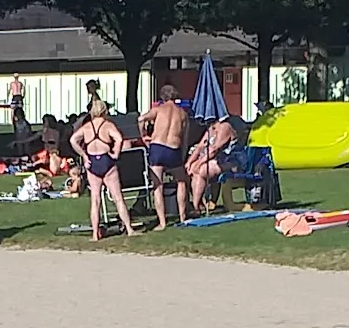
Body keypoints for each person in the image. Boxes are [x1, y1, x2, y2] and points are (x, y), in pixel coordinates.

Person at [70, 99, 138, 241]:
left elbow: (73, 140)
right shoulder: (108, 126)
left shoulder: (87, 127)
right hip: (106, 160)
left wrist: (83, 155)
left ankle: (95, 234)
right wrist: (115, 153)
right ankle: (129, 229)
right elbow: (119, 138)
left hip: (92, 162)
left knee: (95, 200)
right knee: (118, 197)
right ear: (104, 110)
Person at [139, 84, 190, 229]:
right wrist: (183, 155)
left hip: (157, 146)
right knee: (181, 181)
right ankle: (182, 216)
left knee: (158, 185)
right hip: (174, 148)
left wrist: (143, 135)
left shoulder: (158, 110)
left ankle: (162, 222)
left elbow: (140, 119)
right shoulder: (183, 114)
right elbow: (185, 138)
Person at [186, 116, 238, 215]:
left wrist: (199, 162)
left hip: (230, 161)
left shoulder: (225, 127)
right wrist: (189, 162)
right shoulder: (210, 129)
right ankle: (198, 204)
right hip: (212, 160)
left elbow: (214, 149)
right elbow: (200, 147)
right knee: (191, 169)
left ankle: (196, 207)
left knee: (202, 170)